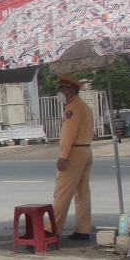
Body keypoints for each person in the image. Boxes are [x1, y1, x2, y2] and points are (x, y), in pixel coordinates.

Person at [46, 77, 93, 240]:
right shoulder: (84, 106)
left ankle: (52, 230)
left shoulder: (72, 107)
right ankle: (83, 229)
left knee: (62, 192)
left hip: (74, 152)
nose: (59, 92)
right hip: (86, 151)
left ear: (70, 91)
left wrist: (63, 156)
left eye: (61, 89)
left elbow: (69, 134)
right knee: (82, 193)